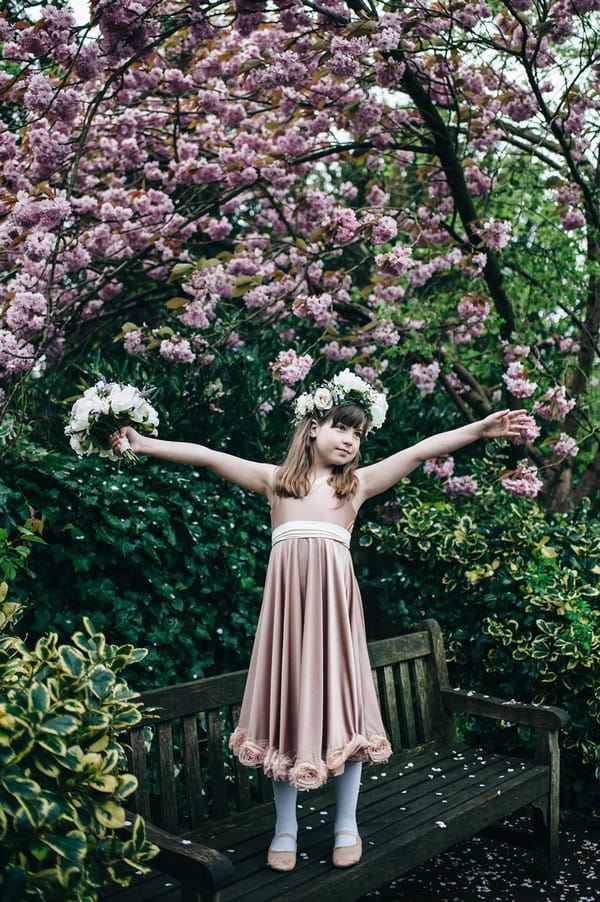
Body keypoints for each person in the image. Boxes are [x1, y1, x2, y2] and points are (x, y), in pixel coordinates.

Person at [109, 369, 529, 873]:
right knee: (286, 712)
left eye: (358, 434)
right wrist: (143, 442)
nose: (350, 440)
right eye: (341, 427)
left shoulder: (356, 488)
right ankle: (285, 828)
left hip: (335, 624)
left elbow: (420, 450)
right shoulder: (274, 482)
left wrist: (478, 431)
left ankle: (346, 825)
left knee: (343, 712)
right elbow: (206, 455)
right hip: (287, 624)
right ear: (312, 426)